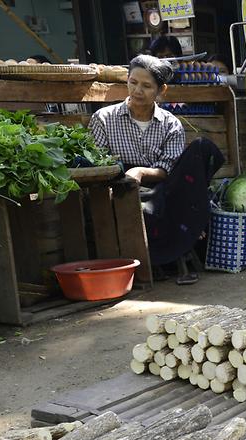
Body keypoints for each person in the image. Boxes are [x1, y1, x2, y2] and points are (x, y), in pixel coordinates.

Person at [90, 55, 223, 283]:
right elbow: (98, 163)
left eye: (147, 86)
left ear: (162, 90)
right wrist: (122, 174)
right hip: (118, 184)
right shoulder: (104, 118)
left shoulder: (171, 124)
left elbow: (166, 168)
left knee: (202, 148)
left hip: (160, 183)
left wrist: (141, 172)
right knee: (134, 201)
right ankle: (153, 262)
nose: (137, 90)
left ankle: (171, 256)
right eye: (133, 82)